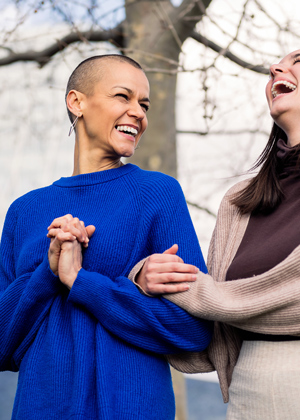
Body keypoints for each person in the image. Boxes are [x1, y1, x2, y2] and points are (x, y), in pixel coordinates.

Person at [0, 55, 213, 420]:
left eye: (143, 104)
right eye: (123, 96)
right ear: (76, 102)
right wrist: (48, 272)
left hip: (133, 409)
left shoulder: (157, 193)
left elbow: (194, 329)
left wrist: (81, 282)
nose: (138, 113)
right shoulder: (23, 211)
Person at [129, 49, 300, 420]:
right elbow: (211, 331)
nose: (275, 69)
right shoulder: (239, 202)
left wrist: (187, 288)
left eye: (298, 61)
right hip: (246, 393)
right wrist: (145, 276)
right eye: (276, 66)